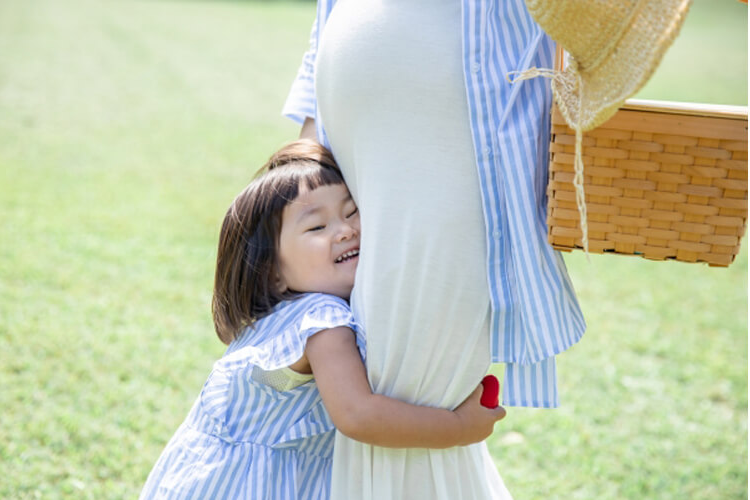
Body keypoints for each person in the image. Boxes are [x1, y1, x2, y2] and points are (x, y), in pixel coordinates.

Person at [284, 1, 587, 498]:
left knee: (407, 382)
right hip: (352, 155)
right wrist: (310, 150)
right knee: (376, 380)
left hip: (453, 129)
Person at [138, 140, 506, 499]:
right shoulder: (322, 320)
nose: (345, 230)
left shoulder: (274, 320)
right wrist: (457, 428)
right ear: (272, 273)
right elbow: (358, 415)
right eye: (317, 228)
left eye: (351, 212)